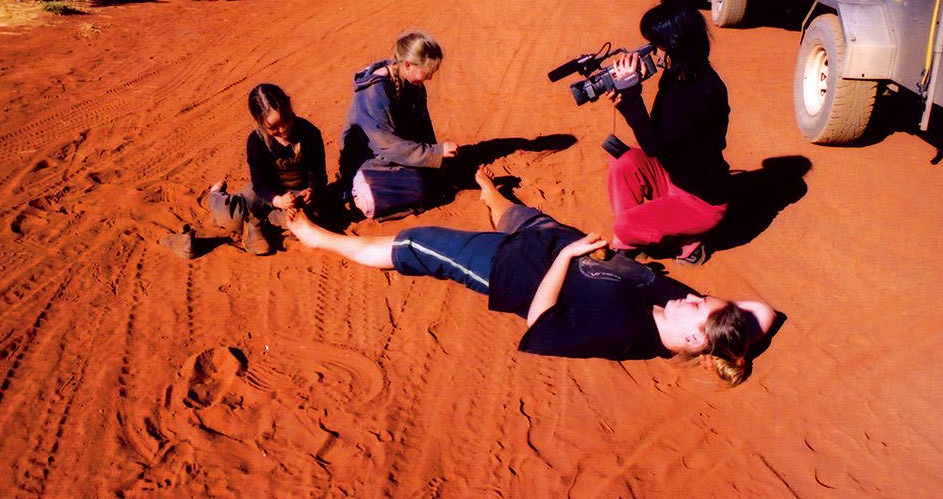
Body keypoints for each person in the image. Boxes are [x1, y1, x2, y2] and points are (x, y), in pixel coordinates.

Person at [287, 166, 776, 386]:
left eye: (700, 304)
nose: (695, 295)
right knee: (515, 211)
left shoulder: (624, 332)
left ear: (694, 334)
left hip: (511, 267)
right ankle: (486, 189)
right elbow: (765, 313)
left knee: (414, 243)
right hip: (550, 239)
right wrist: (726, 327)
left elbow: (538, 325)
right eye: (705, 296)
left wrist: (566, 261)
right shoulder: (679, 307)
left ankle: (318, 238)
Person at [606, 0, 731, 265]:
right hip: (673, 176)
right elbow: (658, 133)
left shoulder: (700, 93)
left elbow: (653, 144)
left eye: (657, 43)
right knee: (624, 163)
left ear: (674, 43)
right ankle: (637, 237)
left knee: (623, 226)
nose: (653, 49)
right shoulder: (680, 74)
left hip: (700, 201)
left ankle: (684, 240)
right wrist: (629, 97)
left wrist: (631, 97)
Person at [339, 31, 459, 219]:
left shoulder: (413, 82)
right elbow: (386, 144)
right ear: (408, 65)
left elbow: (423, 128)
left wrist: (437, 157)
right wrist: (433, 154)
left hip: (398, 156)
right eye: (427, 72)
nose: (429, 78)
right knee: (419, 187)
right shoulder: (374, 91)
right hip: (370, 160)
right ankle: (356, 191)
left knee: (436, 180)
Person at [207, 83, 327, 255]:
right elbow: (260, 183)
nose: (283, 129)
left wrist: (311, 189)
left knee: (309, 219)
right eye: (273, 127)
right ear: (260, 122)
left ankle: (258, 226)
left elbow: (318, 173)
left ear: (289, 104)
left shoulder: (309, 132)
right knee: (228, 216)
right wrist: (277, 200)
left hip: (297, 194)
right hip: (265, 193)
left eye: (286, 120)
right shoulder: (256, 141)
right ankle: (216, 195)